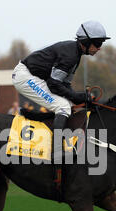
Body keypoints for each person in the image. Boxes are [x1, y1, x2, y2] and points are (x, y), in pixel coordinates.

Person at [11, 20, 110, 184]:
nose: (100, 47)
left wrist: (80, 98)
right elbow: (54, 84)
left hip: (36, 77)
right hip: (25, 76)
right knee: (62, 105)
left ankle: (40, 122)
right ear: (85, 41)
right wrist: (79, 96)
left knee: (70, 106)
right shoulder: (70, 55)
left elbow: (64, 85)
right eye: (98, 43)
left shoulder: (75, 55)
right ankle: (56, 152)